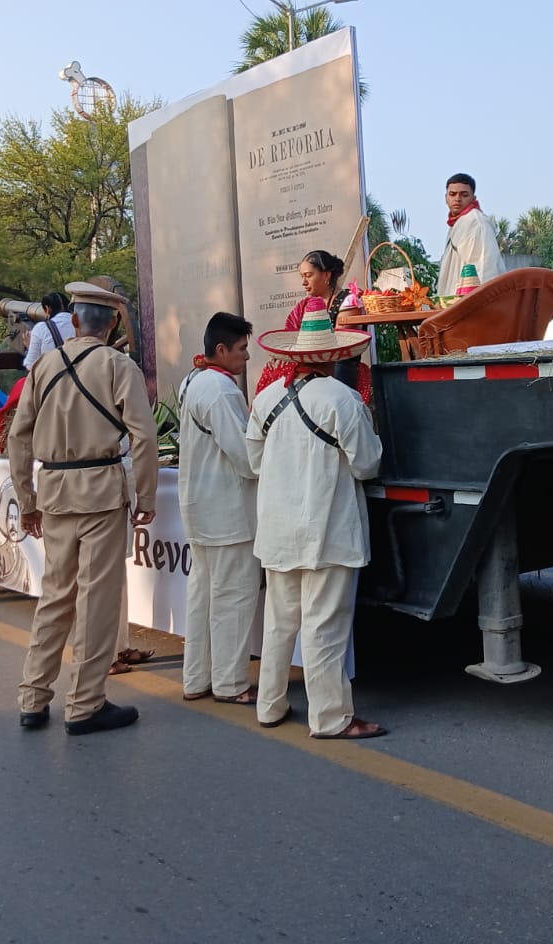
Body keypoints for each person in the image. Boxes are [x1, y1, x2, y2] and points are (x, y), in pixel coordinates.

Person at [8, 281, 160, 736]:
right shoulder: (118, 365)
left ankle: (33, 697)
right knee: (96, 598)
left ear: (73, 321)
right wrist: (146, 497)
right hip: (101, 492)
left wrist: (26, 499)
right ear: (111, 323)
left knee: (55, 595)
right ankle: (85, 703)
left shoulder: (43, 366)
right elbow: (144, 436)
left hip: (54, 491)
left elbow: (18, 437)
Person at [247, 298, 386, 740]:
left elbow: (253, 462)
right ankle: (329, 717)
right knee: (324, 628)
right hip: (327, 530)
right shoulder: (343, 399)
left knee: (279, 623)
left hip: (277, 530)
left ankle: (269, 705)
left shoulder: (266, 399)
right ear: (333, 356)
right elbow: (366, 464)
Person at [177, 312, 262, 705]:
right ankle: (230, 683)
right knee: (232, 596)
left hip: (200, 507)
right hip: (227, 511)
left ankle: (197, 678)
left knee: (202, 597)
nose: (246, 357)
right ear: (221, 350)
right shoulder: (222, 390)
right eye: (242, 349)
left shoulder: (193, 380)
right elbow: (246, 459)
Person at [254, 250, 371, 403]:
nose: (303, 282)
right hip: (308, 364)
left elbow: (340, 347)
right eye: (302, 277)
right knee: (273, 371)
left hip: (337, 367)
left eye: (308, 276)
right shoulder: (306, 306)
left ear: (326, 275)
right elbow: (293, 334)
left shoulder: (348, 302)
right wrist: (282, 356)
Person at [436, 173, 506, 299]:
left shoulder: (476, 222)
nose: (457, 199)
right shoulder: (459, 223)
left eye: (464, 195)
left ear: (473, 198)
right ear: (446, 198)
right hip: (453, 304)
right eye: (452, 194)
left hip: (471, 306)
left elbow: (485, 268)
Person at [21, 291, 75, 371]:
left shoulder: (41, 328)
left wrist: (29, 347)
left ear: (47, 309)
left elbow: (31, 366)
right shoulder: (81, 325)